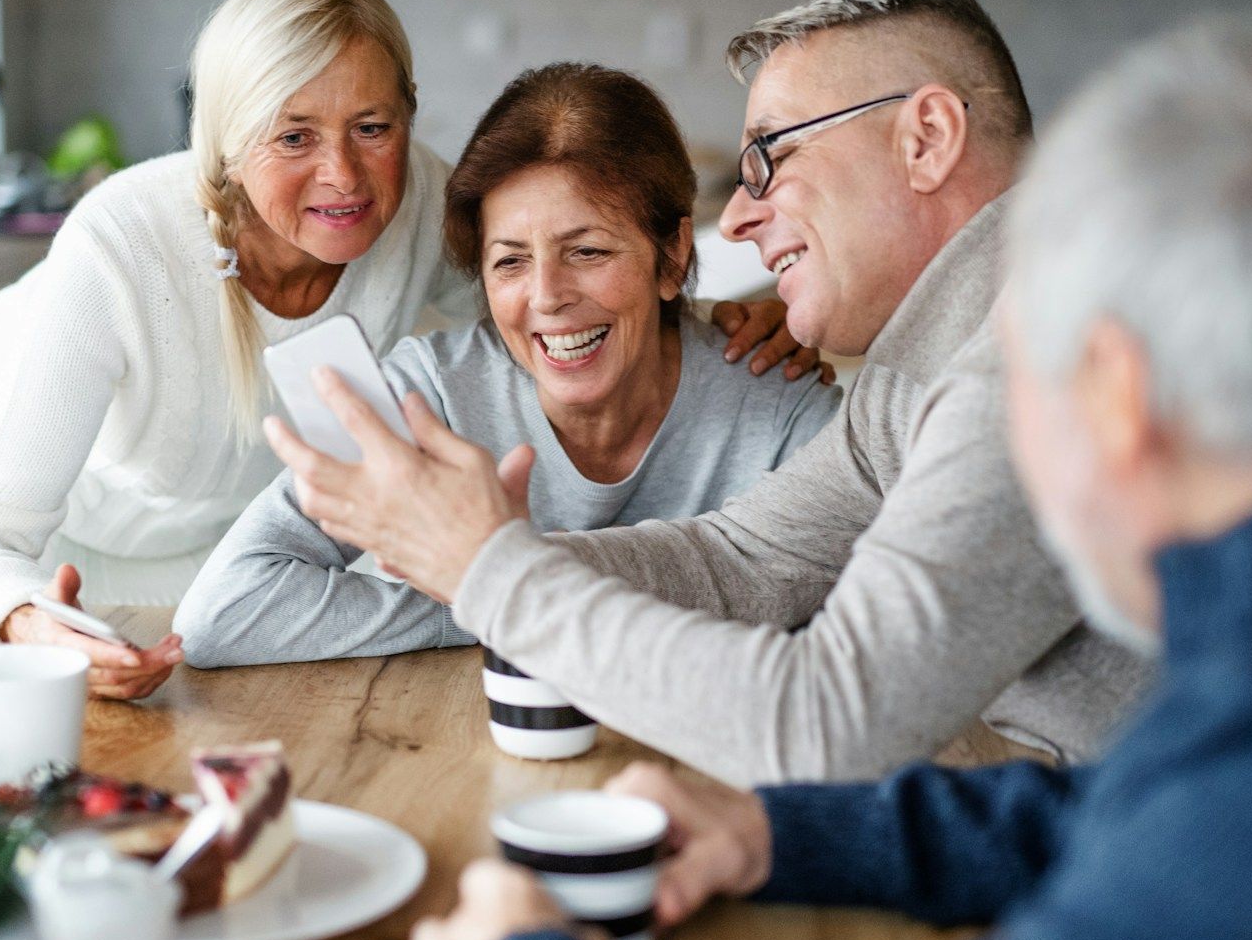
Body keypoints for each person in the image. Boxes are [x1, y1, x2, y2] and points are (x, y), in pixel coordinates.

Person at [391, 22, 1252, 940]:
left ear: (1116, 393)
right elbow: (1136, 797)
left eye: (1024, 375)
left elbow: (1227, 819)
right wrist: (789, 838)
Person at [265, 0, 1152, 781]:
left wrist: (490, 569)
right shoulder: (912, 378)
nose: (739, 211)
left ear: (926, 139)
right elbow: (736, 562)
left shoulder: (1043, 363)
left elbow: (828, 720)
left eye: (770, 154)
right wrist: (465, 554)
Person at [0, 0, 806, 700]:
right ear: (224, 141)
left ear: (408, 118)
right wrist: (30, 624)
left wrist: (731, 313)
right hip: (55, 529)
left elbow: (556, 292)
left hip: (228, 543)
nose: (343, 175)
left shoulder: (416, 204)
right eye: (293, 136)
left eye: (371, 126)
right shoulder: (119, 248)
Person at [174, 64, 841, 664]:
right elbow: (225, 610)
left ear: (670, 256)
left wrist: (493, 579)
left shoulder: (778, 405)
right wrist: (487, 598)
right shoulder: (428, 398)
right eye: (510, 261)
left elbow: (864, 626)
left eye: (588, 251)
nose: (547, 297)